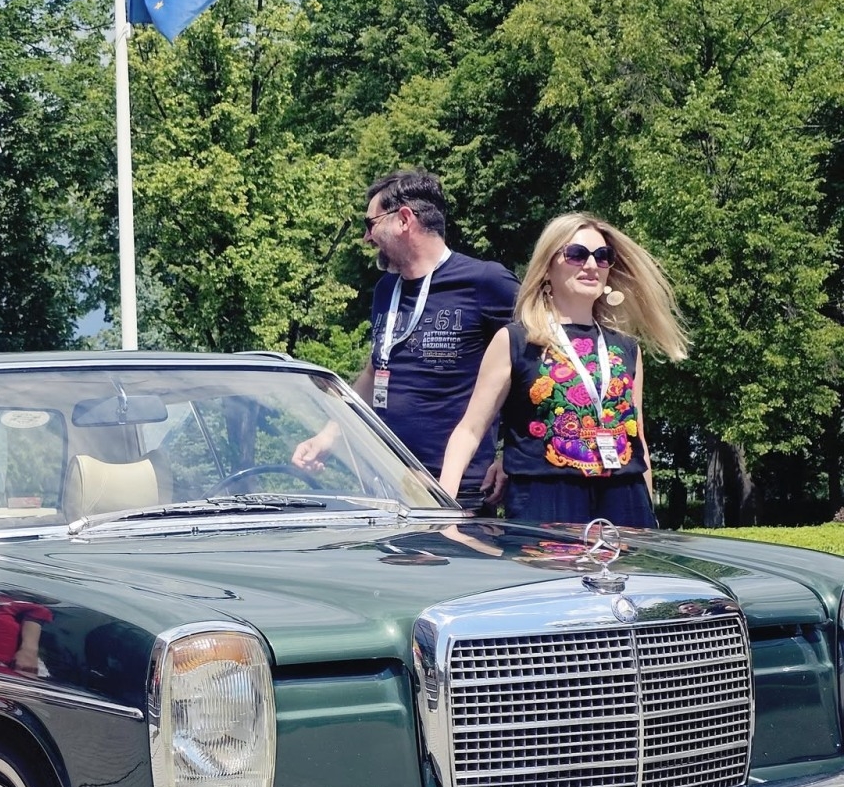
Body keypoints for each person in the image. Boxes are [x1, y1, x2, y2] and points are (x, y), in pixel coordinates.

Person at [437, 213, 688, 526]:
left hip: (625, 501)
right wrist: (442, 511)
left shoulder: (627, 348)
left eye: (603, 256)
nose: (591, 265)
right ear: (547, 266)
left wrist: (649, 514)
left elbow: (637, 437)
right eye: (577, 254)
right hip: (545, 502)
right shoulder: (515, 341)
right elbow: (470, 430)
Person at [293, 171, 519, 511]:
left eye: (370, 224)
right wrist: (329, 435)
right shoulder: (386, 289)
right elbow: (376, 370)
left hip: (458, 490)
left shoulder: (485, 281)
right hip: (387, 485)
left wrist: (512, 455)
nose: (367, 238)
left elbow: (535, 366)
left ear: (403, 219)